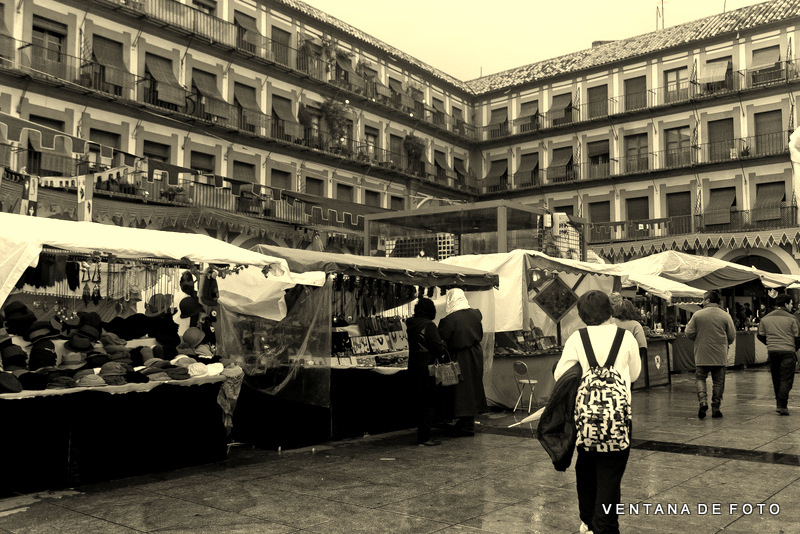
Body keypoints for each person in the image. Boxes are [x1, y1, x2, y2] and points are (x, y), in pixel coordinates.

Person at [554, 290, 641, 534]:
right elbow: (634, 375)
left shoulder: (576, 339)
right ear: (610, 311)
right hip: (618, 420)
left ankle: (589, 523)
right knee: (610, 475)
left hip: (587, 421)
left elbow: (560, 375)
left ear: (582, 316)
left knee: (586, 470)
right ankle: (606, 526)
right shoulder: (626, 338)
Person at [438, 288, 486, 437]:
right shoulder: (476, 314)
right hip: (475, 355)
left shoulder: (450, 320)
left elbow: (443, 337)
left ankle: (465, 423)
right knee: (473, 387)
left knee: (462, 390)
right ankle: (467, 421)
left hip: (459, 356)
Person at [685, 290, 736, 419]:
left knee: (700, 378)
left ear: (707, 300)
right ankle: (716, 407)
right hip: (719, 354)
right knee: (718, 382)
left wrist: (699, 338)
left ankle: (703, 401)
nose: (702, 302)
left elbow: (688, 332)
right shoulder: (725, 316)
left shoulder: (697, 315)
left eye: (703, 299)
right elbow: (731, 336)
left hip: (702, 354)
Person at [406, 298, 447, 446]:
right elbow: (437, 347)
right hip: (427, 369)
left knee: (420, 403)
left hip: (414, 367)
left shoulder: (411, 325)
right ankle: (424, 437)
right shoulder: (429, 325)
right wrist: (443, 345)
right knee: (429, 403)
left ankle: (421, 435)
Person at [757, 294, 799, 416]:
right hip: (788, 352)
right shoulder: (792, 319)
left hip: (772, 352)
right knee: (786, 379)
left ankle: (779, 404)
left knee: (776, 379)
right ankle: (782, 405)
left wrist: (770, 344)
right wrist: (794, 347)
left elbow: (760, 335)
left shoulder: (765, 318)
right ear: (786, 304)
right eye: (791, 303)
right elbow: (798, 337)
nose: (792, 306)